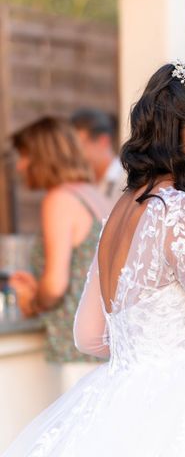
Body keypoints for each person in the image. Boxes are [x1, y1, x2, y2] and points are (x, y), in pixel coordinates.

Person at [3, 59, 185, 456]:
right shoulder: (179, 210)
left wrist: (169, 348)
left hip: (124, 405)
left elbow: (88, 335)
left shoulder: (125, 208)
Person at [9, 117, 111, 392]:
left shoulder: (59, 200)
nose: (19, 166)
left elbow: (56, 286)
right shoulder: (92, 195)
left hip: (76, 347)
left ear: (42, 156)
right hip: (102, 341)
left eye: (24, 156)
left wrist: (32, 299)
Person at [71, 108, 127, 209]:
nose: (75, 155)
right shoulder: (81, 183)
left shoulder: (128, 179)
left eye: (80, 146)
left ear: (103, 141)